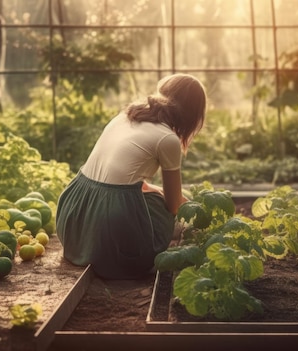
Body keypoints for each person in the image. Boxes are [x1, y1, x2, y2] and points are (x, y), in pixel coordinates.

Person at [55, 73, 207, 279]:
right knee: (161, 209)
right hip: (109, 226)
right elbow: (173, 206)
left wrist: (158, 191)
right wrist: (195, 214)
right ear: (192, 115)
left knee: (152, 196)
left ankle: (94, 246)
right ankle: (133, 252)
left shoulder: (126, 116)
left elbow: (120, 180)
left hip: (72, 218)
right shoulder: (167, 139)